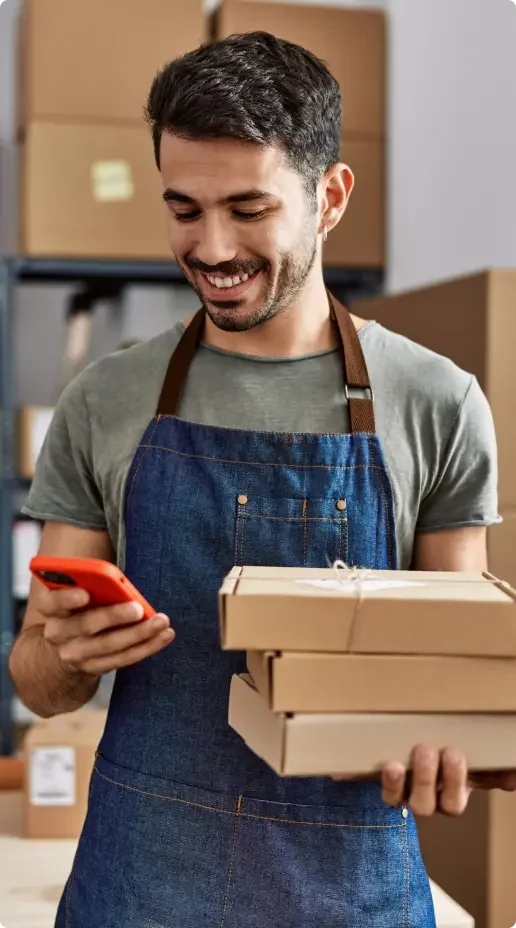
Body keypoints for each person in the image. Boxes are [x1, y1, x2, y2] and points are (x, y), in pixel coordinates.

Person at [9, 31, 514, 928]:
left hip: (351, 892)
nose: (211, 247)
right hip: (141, 886)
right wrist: (60, 657)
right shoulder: (107, 397)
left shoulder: (438, 403)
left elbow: (453, 676)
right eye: (183, 208)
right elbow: (41, 682)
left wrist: (450, 745)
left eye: (248, 208)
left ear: (330, 198)